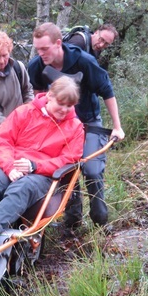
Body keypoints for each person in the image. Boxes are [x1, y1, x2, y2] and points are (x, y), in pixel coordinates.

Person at [28, 22, 125, 231]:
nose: (41, 53)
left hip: (88, 122)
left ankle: (100, 220)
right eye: (38, 49)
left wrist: (117, 126)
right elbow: (38, 97)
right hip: (60, 125)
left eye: (45, 49)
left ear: (58, 43)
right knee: (64, 171)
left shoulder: (84, 61)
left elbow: (107, 91)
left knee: (91, 169)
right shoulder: (36, 66)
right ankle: (72, 220)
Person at [0, 76, 84, 243]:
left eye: (69, 105)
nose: (65, 110)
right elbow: (3, 140)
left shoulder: (75, 127)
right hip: (12, 165)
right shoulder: (24, 112)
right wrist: (9, 167)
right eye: (61, 103)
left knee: (23, 187)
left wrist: (36, 165)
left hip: (42, 175)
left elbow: (69, 159)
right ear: (50, 95)